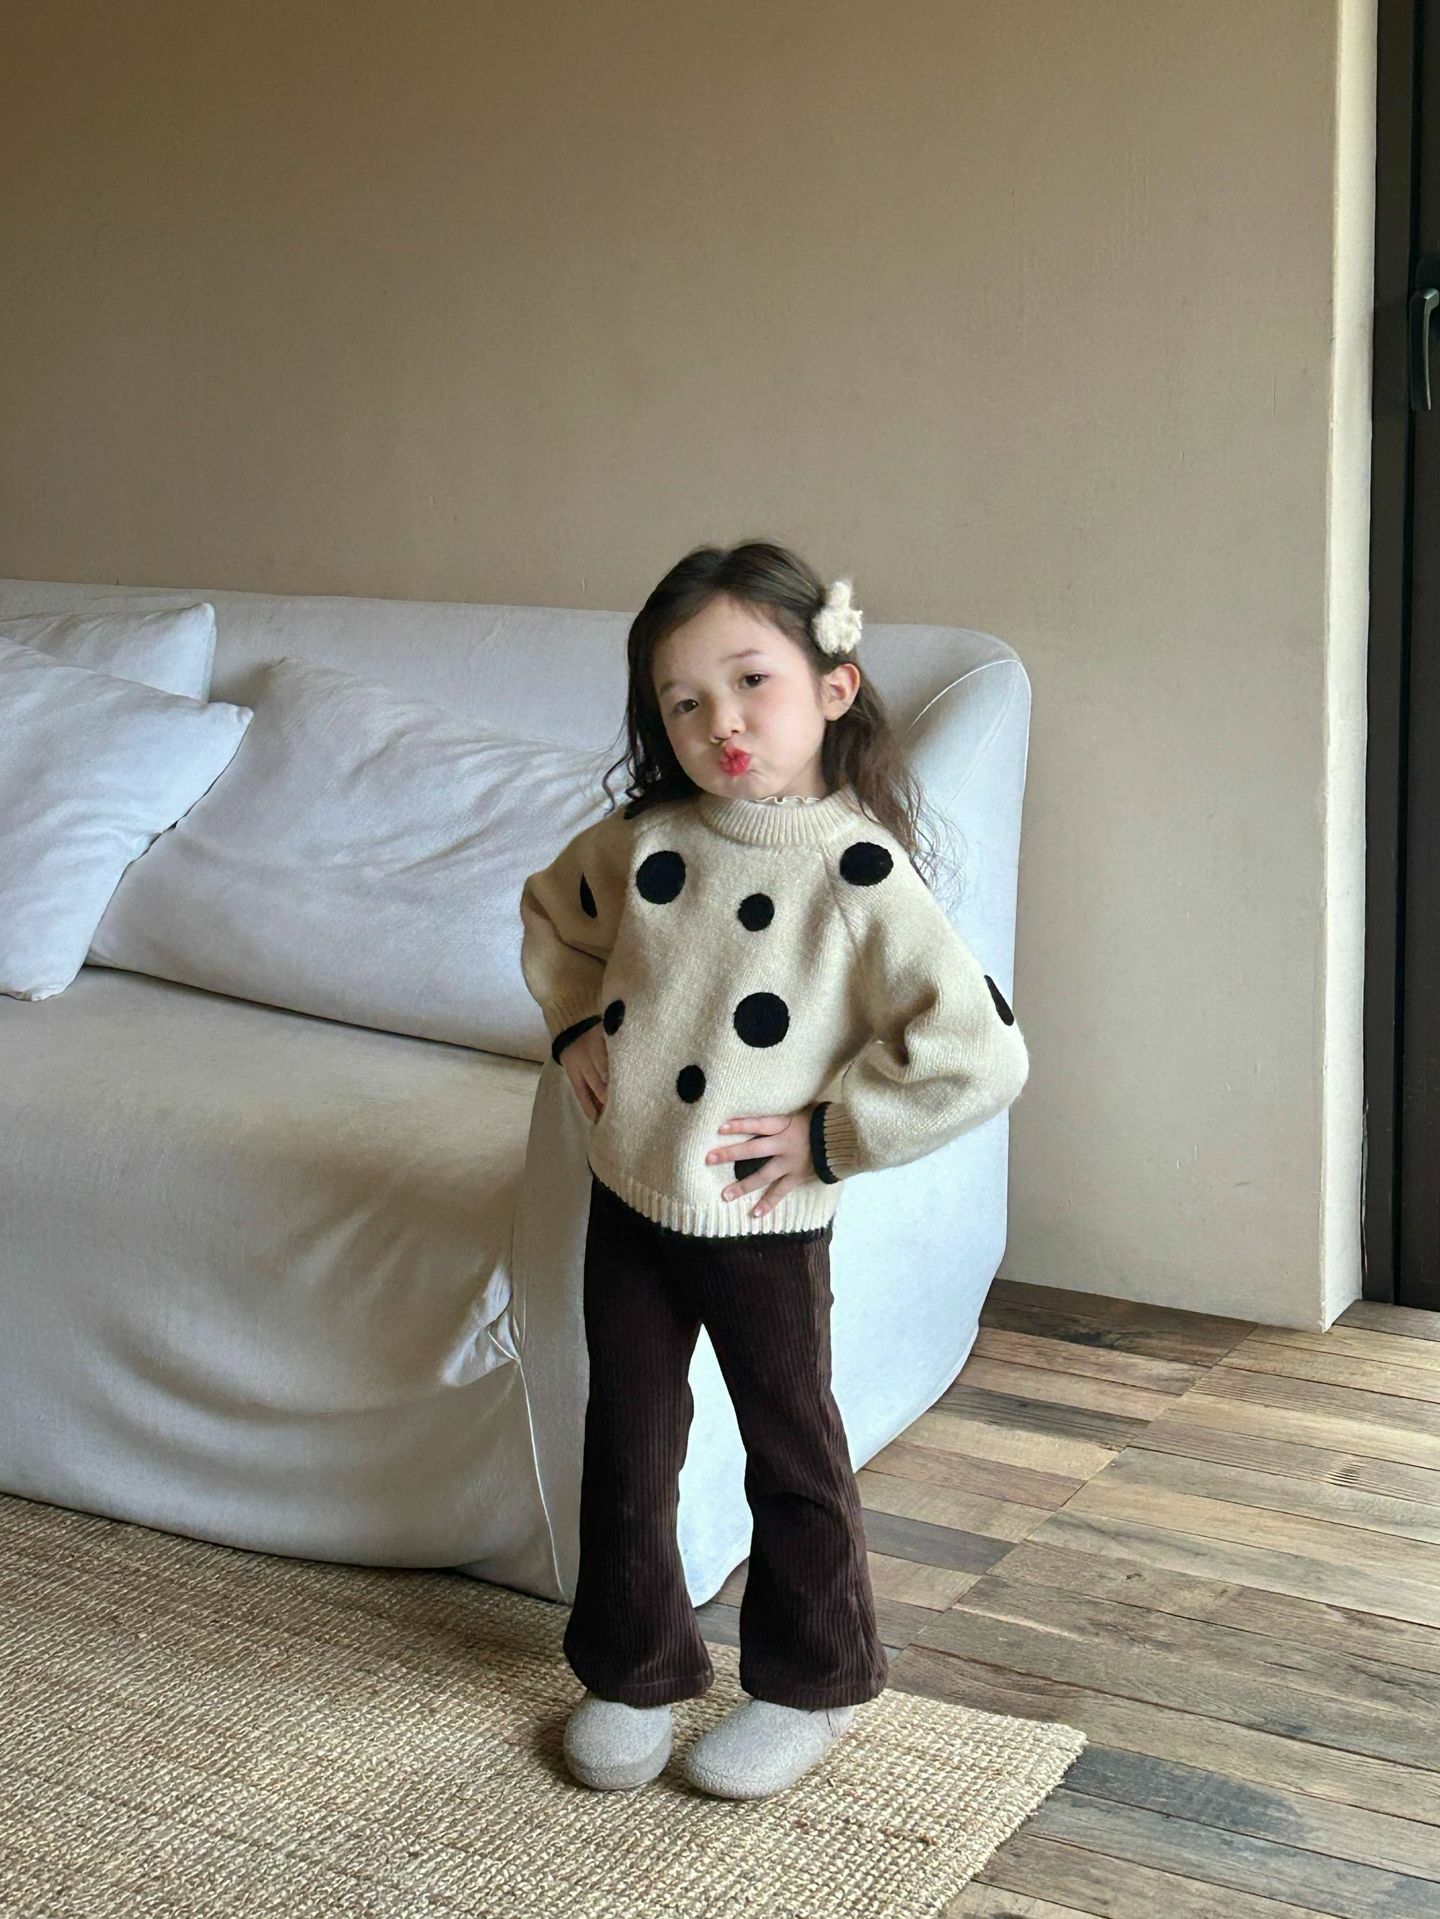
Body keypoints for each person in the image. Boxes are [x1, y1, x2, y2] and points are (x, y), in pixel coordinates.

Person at [518, 539, 1030, 1801]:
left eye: (752, 681)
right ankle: (632, 1665)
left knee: (790, 1450)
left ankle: (813, 1682)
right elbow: (551, 915)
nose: (723, 722)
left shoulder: (859, 870)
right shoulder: (642, 840)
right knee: (628, 1439)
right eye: (684, 701)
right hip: (631, 1193)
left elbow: (977, 1051)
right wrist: (576, 1026)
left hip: (764, 1217)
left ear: (833, 686)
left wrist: (829, 1134)